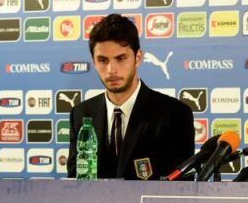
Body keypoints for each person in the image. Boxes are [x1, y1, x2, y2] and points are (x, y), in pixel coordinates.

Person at [67, 14, 195, 180]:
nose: (111, 70)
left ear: (138, 58)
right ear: (94, 61)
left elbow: (180, 191)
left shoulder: (174, 114)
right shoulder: (81, 114)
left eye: (121, 58)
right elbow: (75, 184)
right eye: (103, 60)